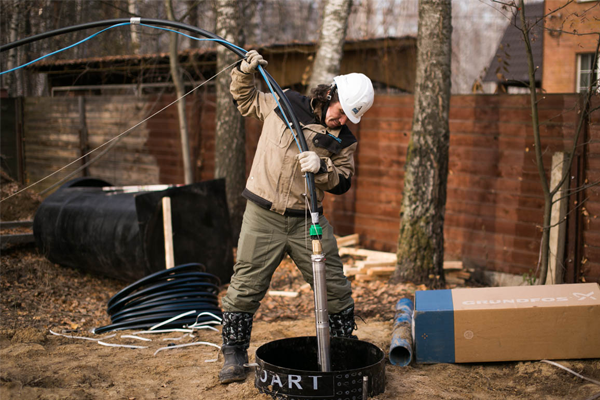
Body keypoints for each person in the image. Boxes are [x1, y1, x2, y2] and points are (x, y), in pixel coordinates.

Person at [219, 50, 375, 384]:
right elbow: (245, 100)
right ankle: (233, 352)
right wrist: (244, 71)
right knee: (245, 286)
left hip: (308, 221)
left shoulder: (344, 139)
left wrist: (323, 167)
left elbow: (343, 180)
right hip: (263, 214)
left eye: (350, 116)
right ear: (330, 95)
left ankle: (344, 347)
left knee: (335, 288)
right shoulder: (285, 102)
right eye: (342, 112)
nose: (344, 120)